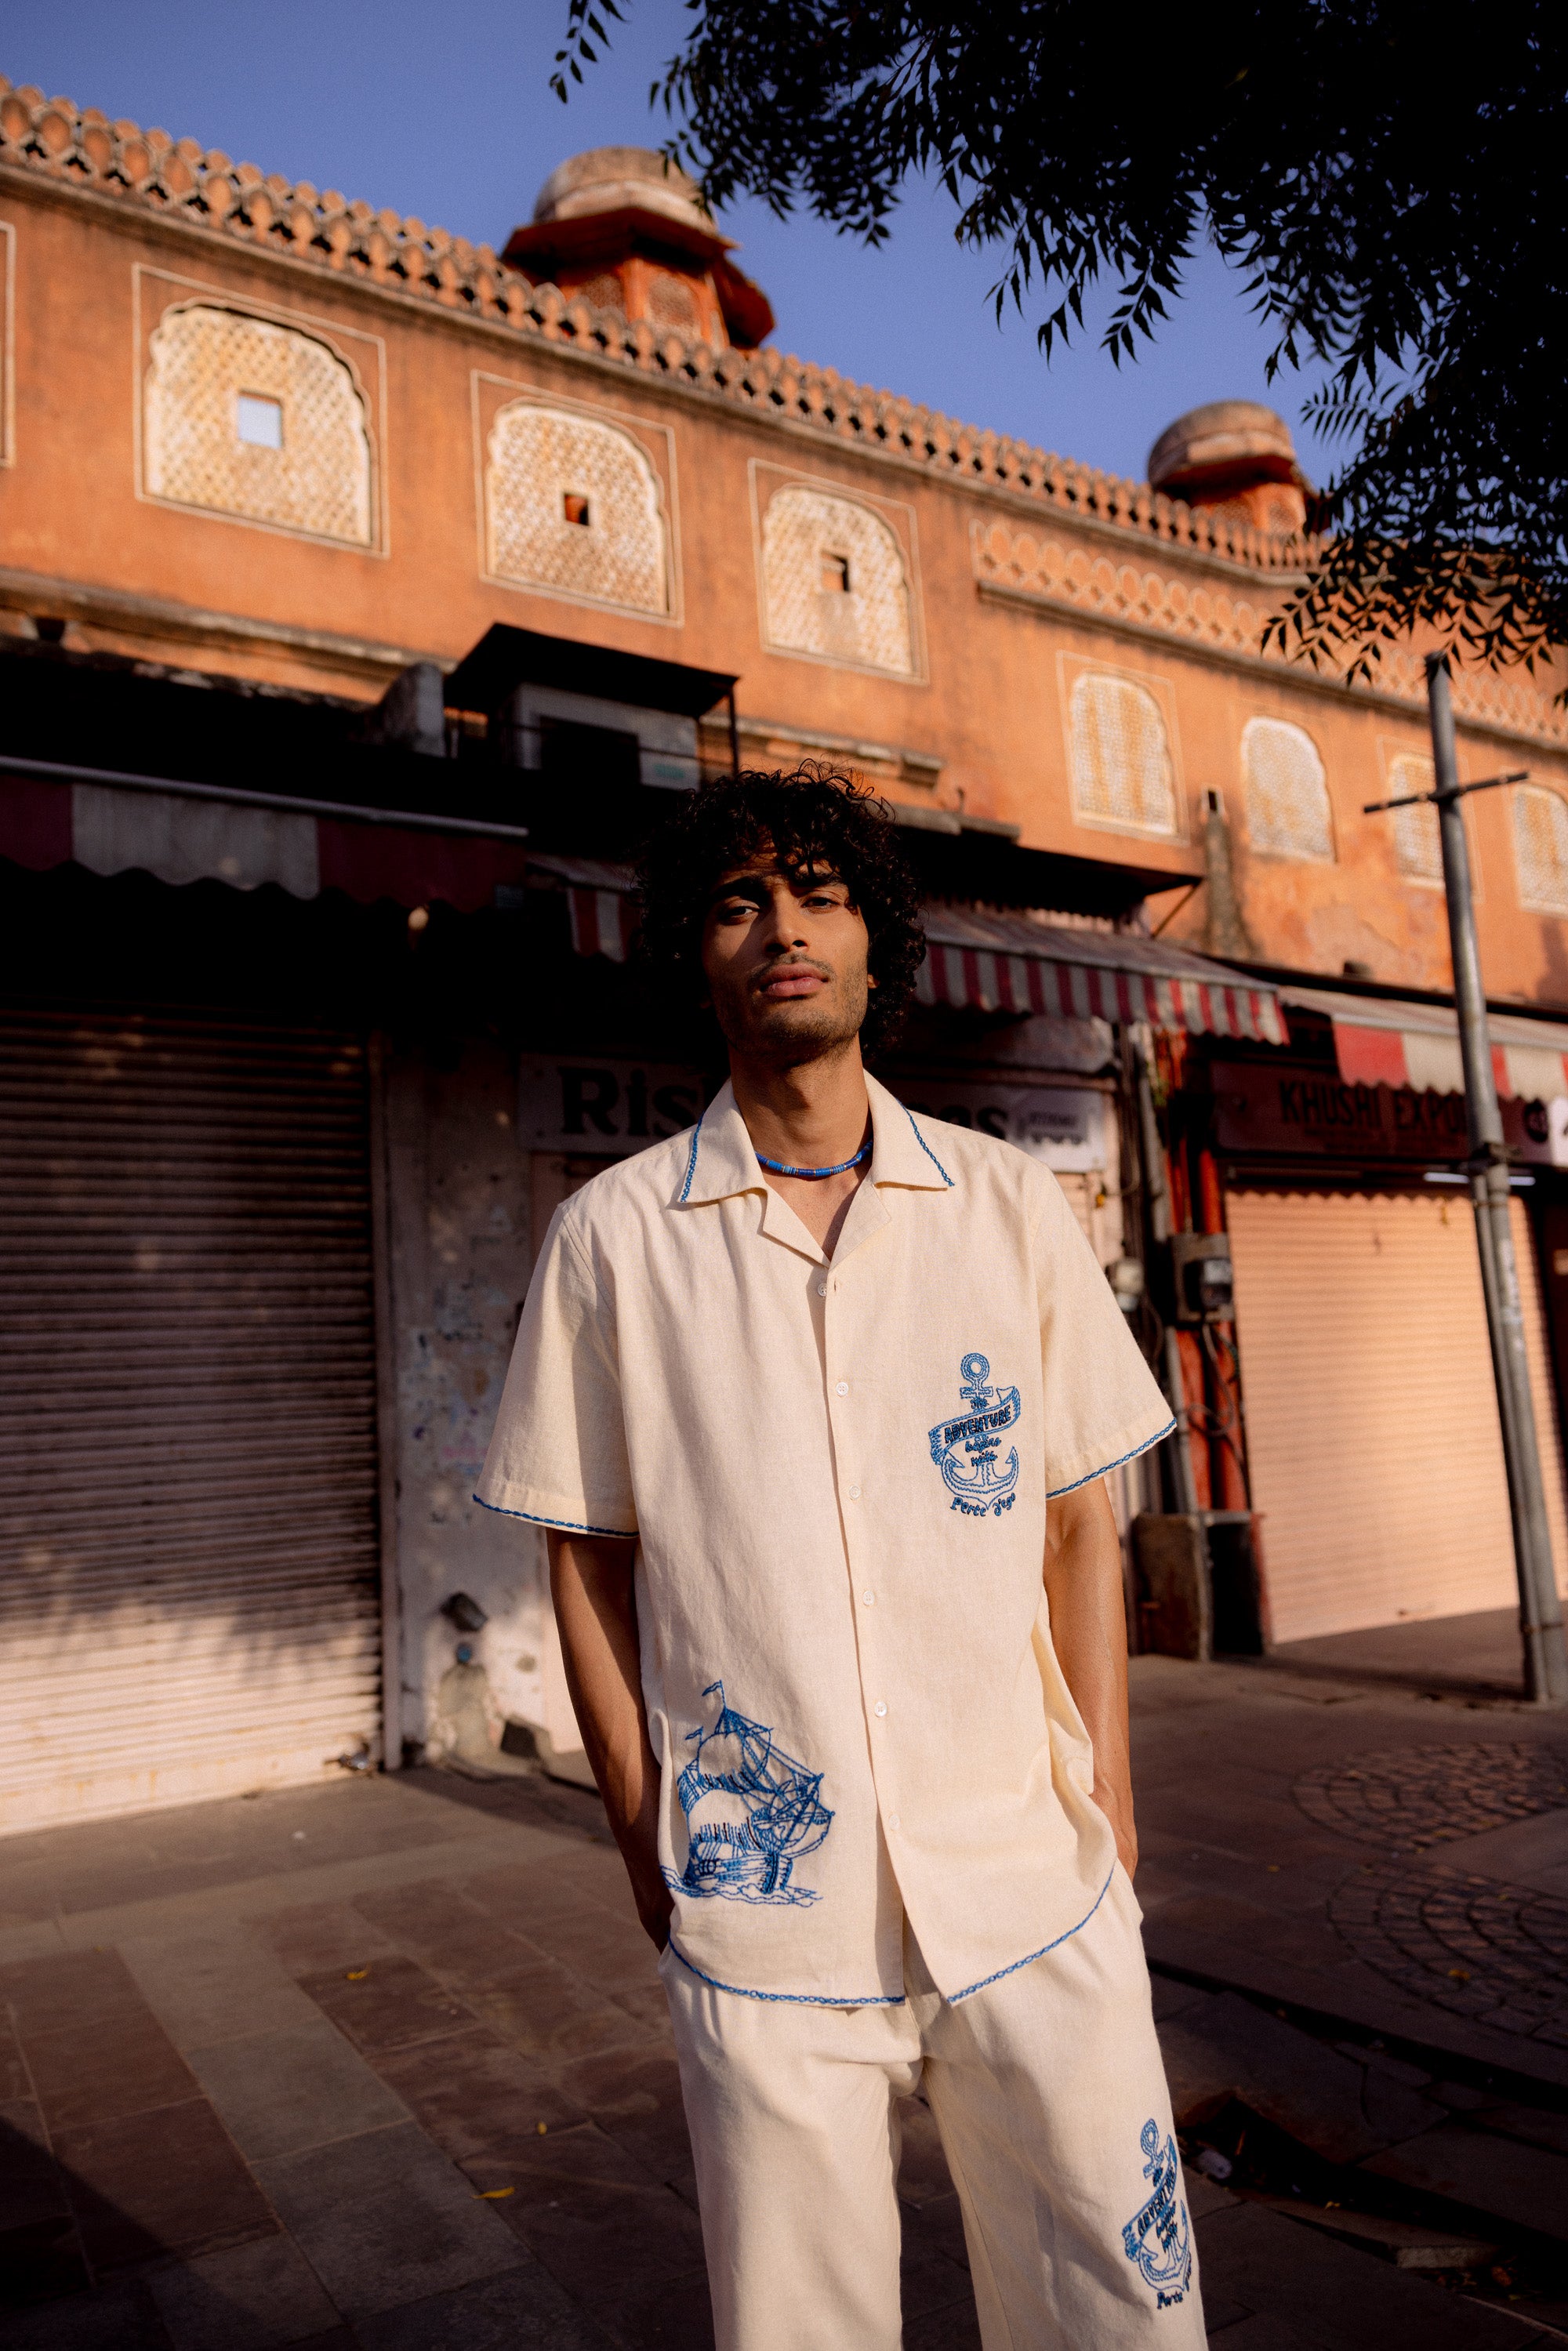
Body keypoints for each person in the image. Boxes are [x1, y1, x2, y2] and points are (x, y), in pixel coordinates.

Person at [477, 769, 1203, 2350]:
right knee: (799, 2328)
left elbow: (1080, 1520)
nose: (780, 929)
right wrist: (638, 1828)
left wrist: (1112, 1807)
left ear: (879, 942)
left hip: (1032, 1880)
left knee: (1117, 2307)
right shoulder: (616, 1239)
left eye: (817, 893)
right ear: (695, 953)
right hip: (764, 1914)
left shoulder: (1003, 1207)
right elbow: (585, 1556)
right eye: (738, 902)